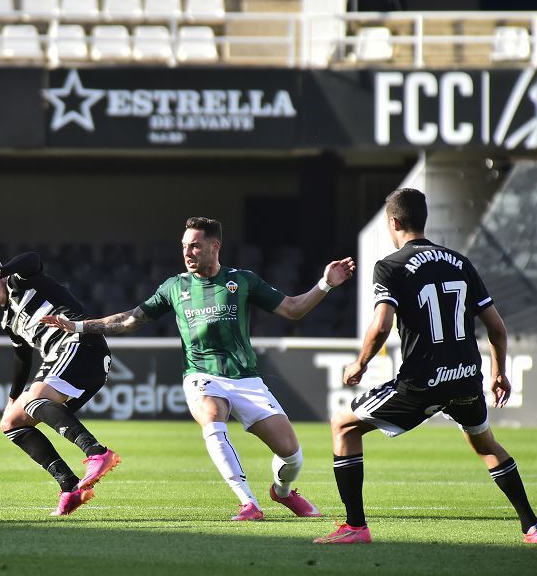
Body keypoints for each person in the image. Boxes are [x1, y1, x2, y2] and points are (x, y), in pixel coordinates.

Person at [42, 217, 355, 521]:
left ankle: (283, 491)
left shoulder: (242, 280)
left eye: (194, 246)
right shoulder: (174, 287)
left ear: (214, 246)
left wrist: (326, 283)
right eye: (184, 246)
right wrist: (79, 327)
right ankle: (248, 502)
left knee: (291, 455)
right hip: (201, 375)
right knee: (211, 417)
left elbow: (292, 308)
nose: (187, 253)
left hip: (246, 378)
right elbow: (130, 320)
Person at [316, 188, 537, 544]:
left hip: (423, 381)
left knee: (343, 426)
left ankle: (355, 527)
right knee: (485, 444)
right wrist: (499, 373)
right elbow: (497, 328)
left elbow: (380, 326)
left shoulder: (390, 266)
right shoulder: (460, 262)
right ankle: (533, 527)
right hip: (466, 377)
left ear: (393, 222)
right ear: (424, 220)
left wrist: (359, 364)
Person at [0, 251, 121, 517]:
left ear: (2, 275)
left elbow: (33, 259)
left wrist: (2, 272)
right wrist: (12, 400)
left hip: (80, 344)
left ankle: (97, 453)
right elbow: (21, 359)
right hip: (78, 363)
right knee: (11, 423)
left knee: (36, 399)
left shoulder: (23, 283)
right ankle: (70, 486)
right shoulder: (9, 321)